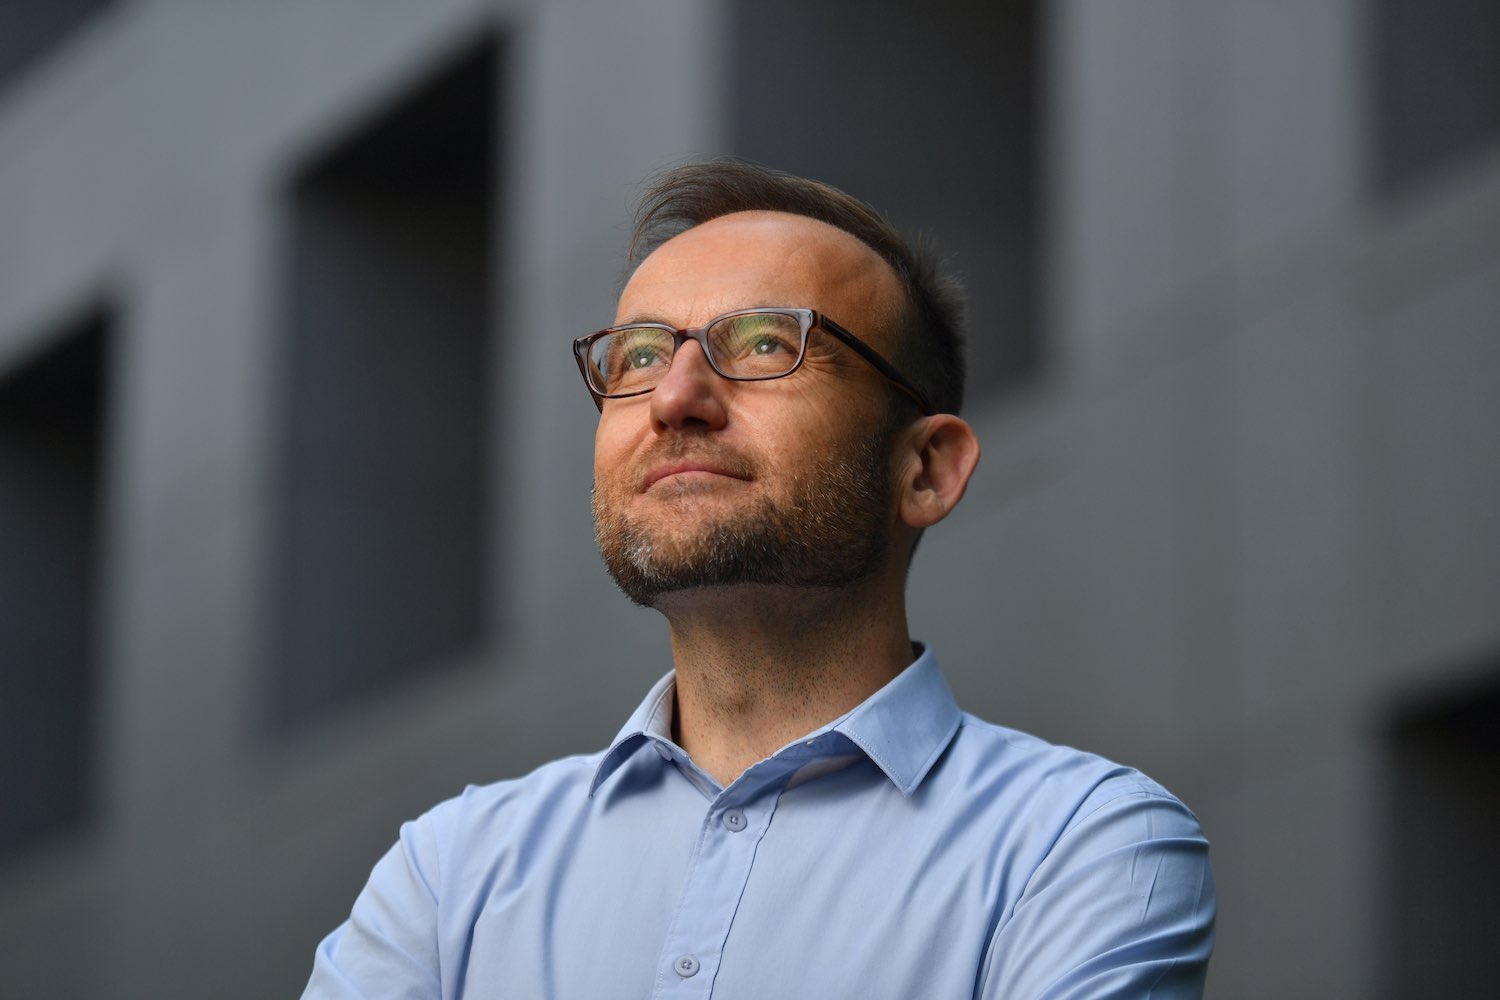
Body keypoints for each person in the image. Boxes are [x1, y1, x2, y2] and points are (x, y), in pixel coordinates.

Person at [302, 161, 1216, 999]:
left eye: (766, 343)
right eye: (640, 356)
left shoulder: (1084, 845)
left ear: (927, 469)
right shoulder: (451, 870)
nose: (674, 400)